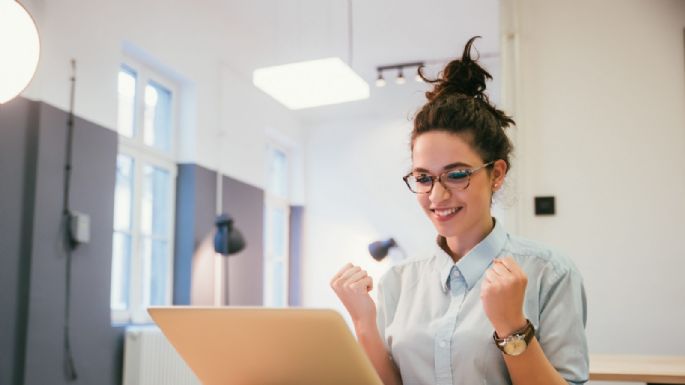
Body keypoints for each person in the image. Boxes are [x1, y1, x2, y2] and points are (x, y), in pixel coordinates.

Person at [330, 36, 588, 385]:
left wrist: (512, 327)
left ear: (496, 174)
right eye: (423, 177)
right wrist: (363, 323)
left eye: (456, 174)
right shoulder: (399, 281)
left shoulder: (549, 273)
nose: (437, 195)